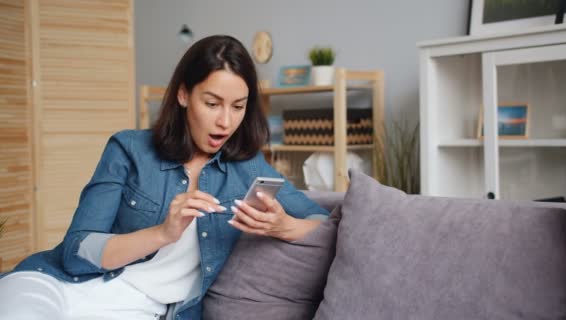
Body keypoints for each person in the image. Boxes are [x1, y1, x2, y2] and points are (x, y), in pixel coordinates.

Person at [0, 35, 329, 320]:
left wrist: (285, 226)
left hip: (136, 311)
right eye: (212, 103)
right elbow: (76, 251)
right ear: (184, 95)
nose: (225, 122)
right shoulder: (129, 149)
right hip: (53, 285)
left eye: (238, 106)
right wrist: (162, 233)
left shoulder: (249, 167)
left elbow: (327, 221)